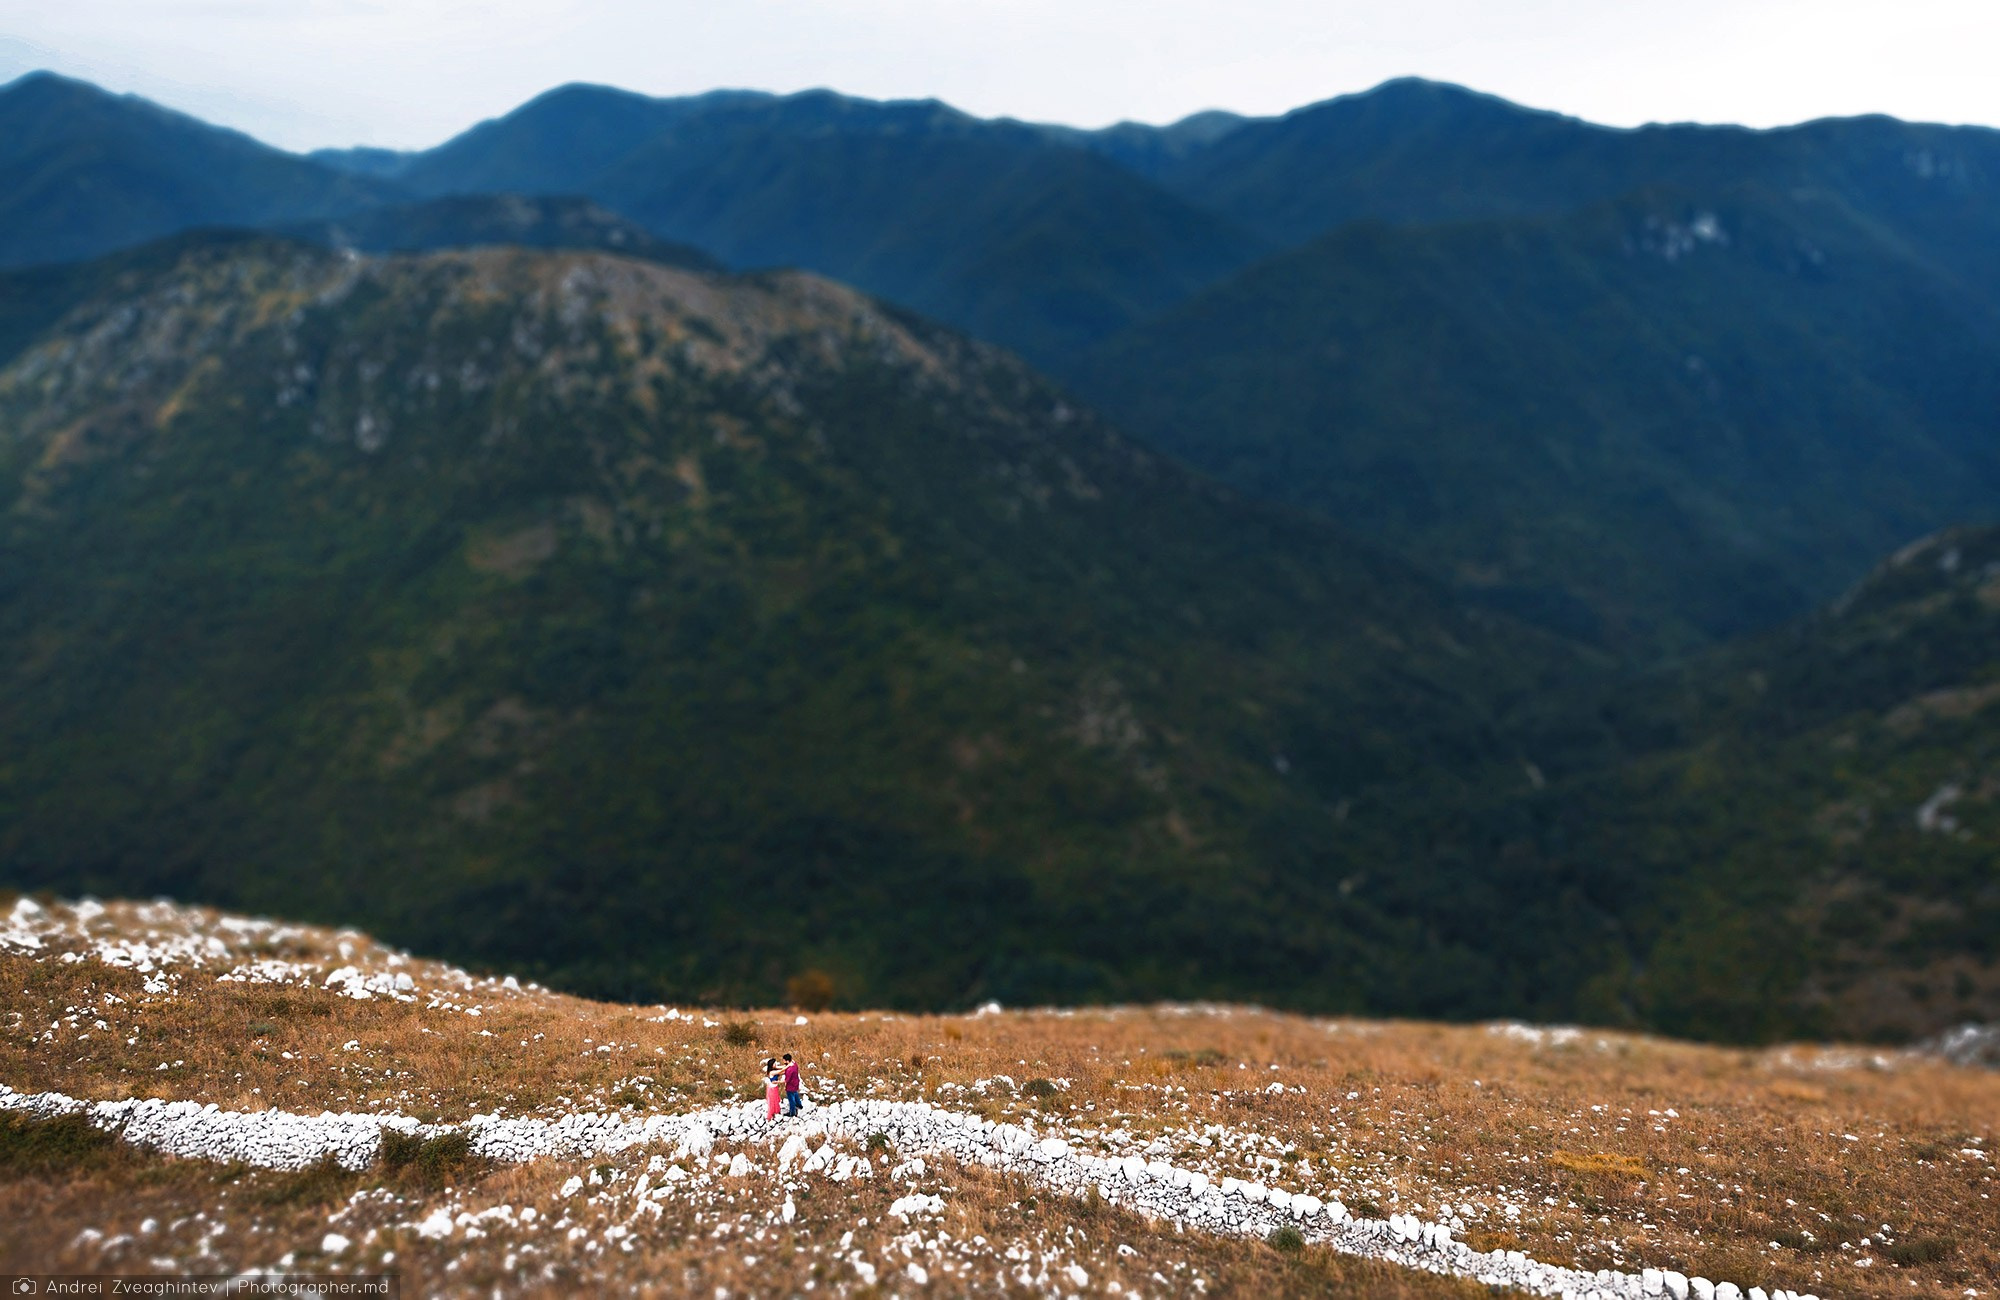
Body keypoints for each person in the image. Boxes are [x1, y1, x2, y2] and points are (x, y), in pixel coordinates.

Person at [782, 1052, 803, 1116]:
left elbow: (787, 1080)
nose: (783, 1061)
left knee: (791, 1100)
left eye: (784, 1060)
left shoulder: (789, 1070)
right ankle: (799, 1105)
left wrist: (779, 1082)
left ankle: (792, 1113)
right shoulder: (794, 1064)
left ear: (787, 1061)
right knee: (796, 1094)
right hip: (796, 1083)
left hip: (790, 1086)